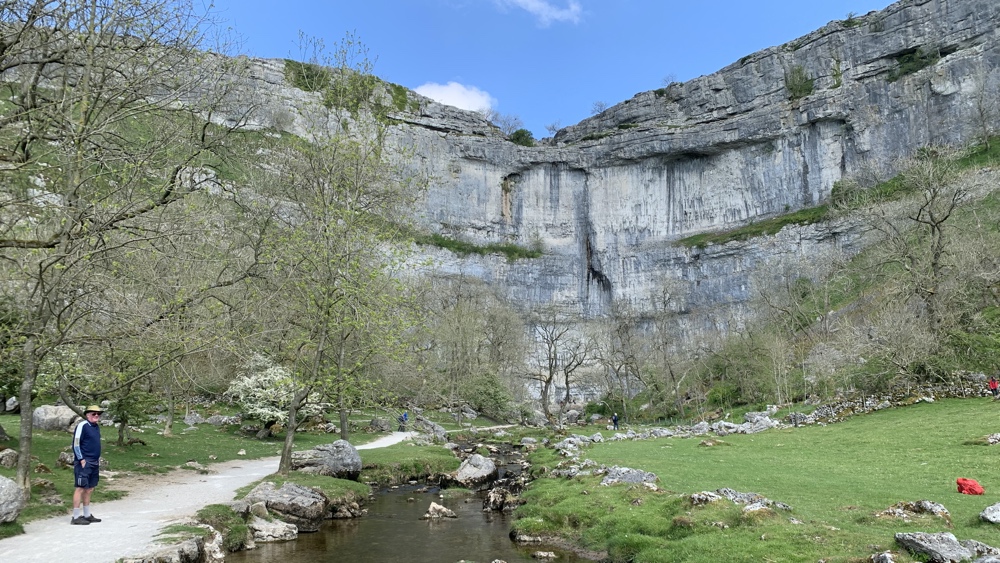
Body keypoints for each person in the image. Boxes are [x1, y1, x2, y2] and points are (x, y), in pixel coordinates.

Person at [71, 405, 104, 525]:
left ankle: (86, 514)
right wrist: (81, 459)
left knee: (89, 488)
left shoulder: (96, 427)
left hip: (94, 462)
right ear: (87, 414)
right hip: (85, 462)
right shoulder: (82, 425)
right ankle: (75, 517)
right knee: (80, 488)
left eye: (98, 414)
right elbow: (76, 443)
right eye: (93, 414)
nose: (96, 416)